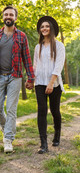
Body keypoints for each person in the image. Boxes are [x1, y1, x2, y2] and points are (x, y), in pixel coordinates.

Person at [0, 6, 34, 153]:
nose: (8, 16)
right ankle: (7, 129)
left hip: (15, 77)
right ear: (3, 17)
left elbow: (27, 58)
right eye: (6, 14)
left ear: (15, 18)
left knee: (11, 108)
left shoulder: (21, 36)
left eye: (11, 14)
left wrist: (30, 78)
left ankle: (8, 140)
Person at [33, 16, 65, 154]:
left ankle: (57, 135)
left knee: (54, 111)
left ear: (51, 29)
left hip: (54, 84)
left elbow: (58, 65)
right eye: (42, 27)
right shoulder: (37, 47)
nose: (44, 28)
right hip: (39, 82)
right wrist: (30, 80)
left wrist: (51, 83)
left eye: (46, 26)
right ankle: (43, 144)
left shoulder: (59, 46)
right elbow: (35, 66)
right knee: (41, 111)